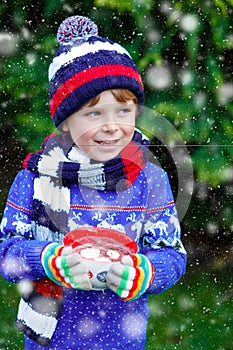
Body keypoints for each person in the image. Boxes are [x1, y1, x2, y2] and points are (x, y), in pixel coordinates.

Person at [0, 15, 187, 350]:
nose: (112, 126)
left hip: (121, 336)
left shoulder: (150, 179)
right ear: (66, 123)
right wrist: (49, 259)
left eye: (123, 111)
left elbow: (171, 254)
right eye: (94, 113)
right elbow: (6, 253)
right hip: (53, 339)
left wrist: (142, 271)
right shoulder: (35, 178)